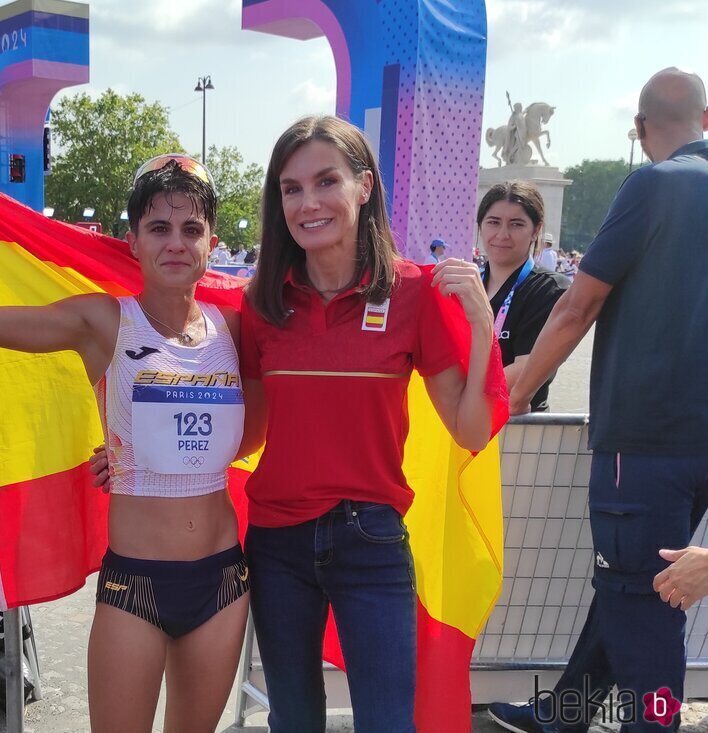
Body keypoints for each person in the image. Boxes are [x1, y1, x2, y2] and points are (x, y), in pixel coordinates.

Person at [0, 150, 261, 733]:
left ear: (211, 242)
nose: (175, 242)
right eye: (158, 227)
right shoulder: (104, 321)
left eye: (191, 229)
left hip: (223, 581)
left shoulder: (237, 329)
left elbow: (256, 432)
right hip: (136, 584)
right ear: (133, 241)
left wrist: (150, 451)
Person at [241, 115, 499, 731]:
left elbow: (469, 431)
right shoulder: (260, 305)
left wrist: (483, 329)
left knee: (387, 722)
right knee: (294, 720)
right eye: (291, 188)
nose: (308, 203)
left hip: (373, 539)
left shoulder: (414, 293)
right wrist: (140, 451)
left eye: (326, 181)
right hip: (276, 544)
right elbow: (244, 434)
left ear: (364, 186)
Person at [489, 67, 708, 733]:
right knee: (628, 591)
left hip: (642, 445)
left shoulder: (653, 184)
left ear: (641, 130)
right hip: (691, 445)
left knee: (641, 616)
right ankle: (564, 711)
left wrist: (516, 392)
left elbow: (578, 304)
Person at [478, 182, 569, 411]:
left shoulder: (549, 289)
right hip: (458, 425)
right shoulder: (466, 285)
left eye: (516, 224)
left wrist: (460, 395)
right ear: (480, 226)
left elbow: (527, 369)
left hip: (517, 431)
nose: (502, 234)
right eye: (493, 222)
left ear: (536, 230)